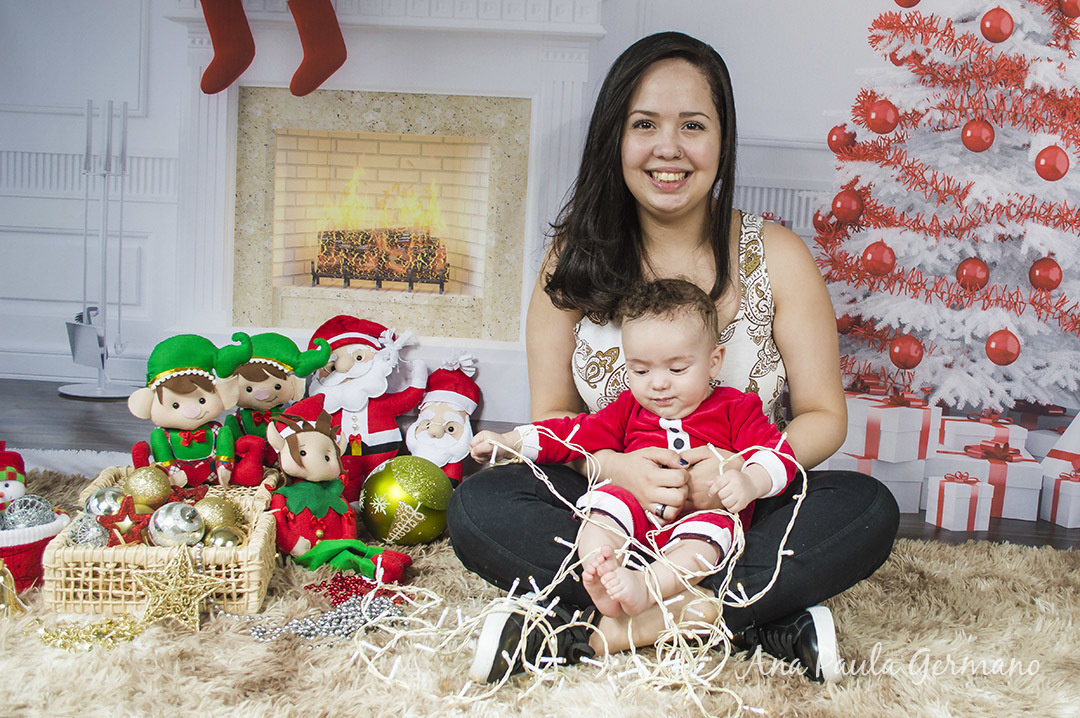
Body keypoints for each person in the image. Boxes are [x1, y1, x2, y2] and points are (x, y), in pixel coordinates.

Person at [447, 31, 899, 684]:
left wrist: (740, 475)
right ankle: (755, 617)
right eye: (645, 125)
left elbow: (824, 416)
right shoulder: (574, 260)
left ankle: (598, 633)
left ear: (722, 139)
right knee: (479, 505)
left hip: (743, 510)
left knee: (865, 507)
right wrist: (620, 469)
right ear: (616, 139)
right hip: (614, 513)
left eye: (693, 125)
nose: (669, 148)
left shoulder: (777, 256)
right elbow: (555, 418)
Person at [469, 279, 797, 619]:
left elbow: (777, 454)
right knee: (605, 506)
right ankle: (601, 571)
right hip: (635, 514)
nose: (658, 383)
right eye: (640, 370)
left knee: (709, 537)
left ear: (714, 361)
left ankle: (649, 585)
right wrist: (513, 442)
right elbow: (573, 433)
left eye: (677, 369)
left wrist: (748, 481)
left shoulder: (735, 408)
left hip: (700, 521)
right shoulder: (628, 409)